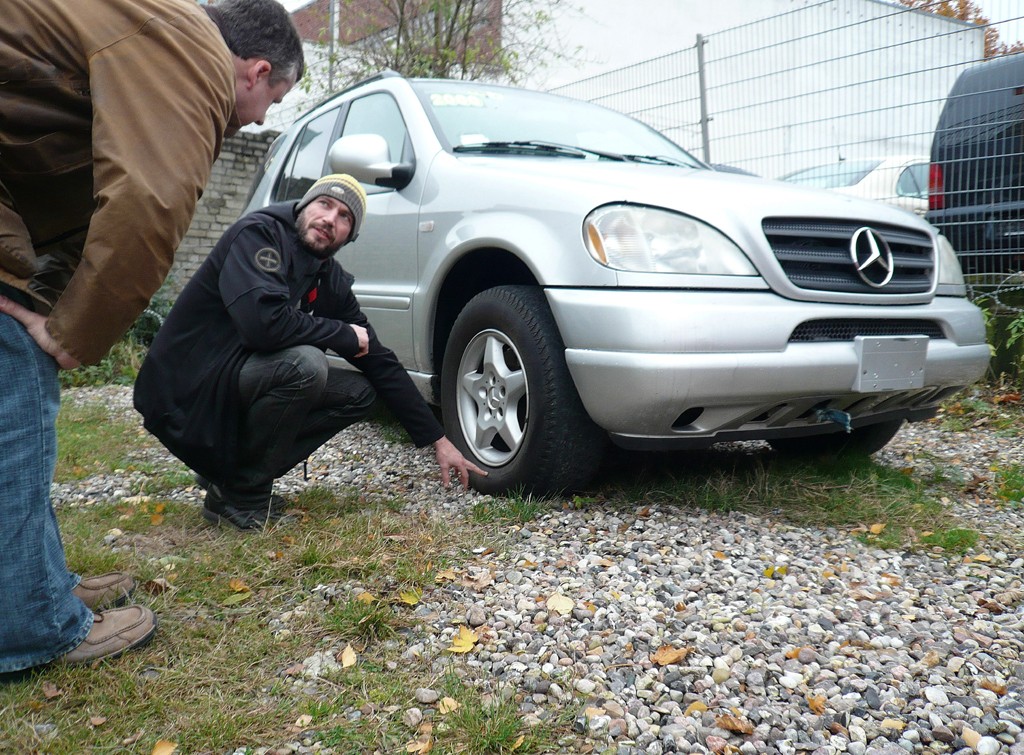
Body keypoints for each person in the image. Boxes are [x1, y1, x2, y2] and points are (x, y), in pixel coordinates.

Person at [0, 0, 304, 673]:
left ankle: (37, 582)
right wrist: (73, 333)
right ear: (254, 71)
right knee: (18, 398)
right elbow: (148, 200)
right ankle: (31, 622)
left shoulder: (141, 27)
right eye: (271, 99)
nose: (258, 119)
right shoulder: (192, 51)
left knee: (17, 396)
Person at [133, 174, 486, 531]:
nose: (330, 219)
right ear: (304, 206)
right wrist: (341, 333)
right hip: (186, 388)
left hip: (229, 381)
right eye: (324, 204)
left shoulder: (326, 277)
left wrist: (438, 440)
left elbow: (378, 360)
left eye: (345, 217)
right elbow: (262, 324)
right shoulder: (258, 236)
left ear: (351, 235)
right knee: (305, 365)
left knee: (358, 393)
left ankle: (231, 478)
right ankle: (242, 497)